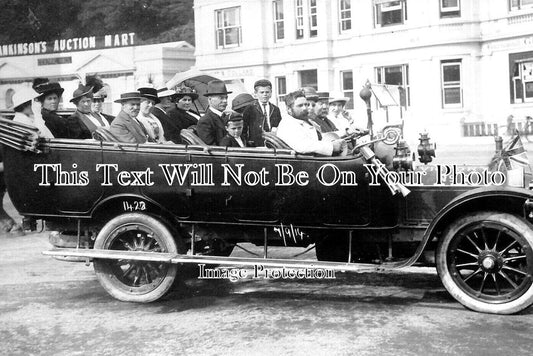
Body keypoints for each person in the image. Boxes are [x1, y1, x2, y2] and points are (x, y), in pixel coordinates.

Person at [277, 90, 345, 156]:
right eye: (300, 105)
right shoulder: (287, 125)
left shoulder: (304, 121)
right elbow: (303, 146)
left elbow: (318, 137)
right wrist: (331, 147)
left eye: (306, 104)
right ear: (289, 109)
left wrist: (334, 141)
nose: (305, 108)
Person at [242, 79, 282, 146]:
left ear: (271, 93)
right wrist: (247, 141)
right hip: (255, 143)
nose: (265, 95)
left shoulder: (275, 109)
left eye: (267, 92)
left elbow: (279, 126)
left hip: (272, 142)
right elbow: (244, 128)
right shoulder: (250, 108)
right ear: (256, 93)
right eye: (262, 92)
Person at [197, 80, 232, 145]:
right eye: (221, 98)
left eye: (226, 98)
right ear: (210, 99)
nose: (225, 101)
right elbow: (212, 148)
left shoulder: (227, 117)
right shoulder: (205, 121)